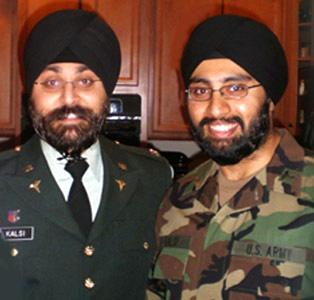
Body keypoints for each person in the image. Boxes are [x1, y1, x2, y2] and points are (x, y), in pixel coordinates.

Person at [0, 9, 171, 300]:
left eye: (86, 81)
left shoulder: (153, 178)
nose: (69, 99)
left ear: (107, 92)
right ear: (31, 92)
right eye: (52, 83)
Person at [147, 15, 314, 299]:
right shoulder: (176, 200)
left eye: (235, 88)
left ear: (270, 98)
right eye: (200, 91)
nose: (216, 108)